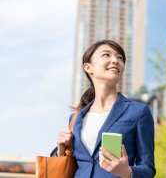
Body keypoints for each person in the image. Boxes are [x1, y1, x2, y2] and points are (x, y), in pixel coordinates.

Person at [52, 40, 156, 178]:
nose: (115, 60)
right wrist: (61, 150)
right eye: (106, 55)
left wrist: (127, 172)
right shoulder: (76, 117)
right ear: (88, 68)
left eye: (120, 58)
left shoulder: (139, 112)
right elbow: (71, 166)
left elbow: (148, 169)